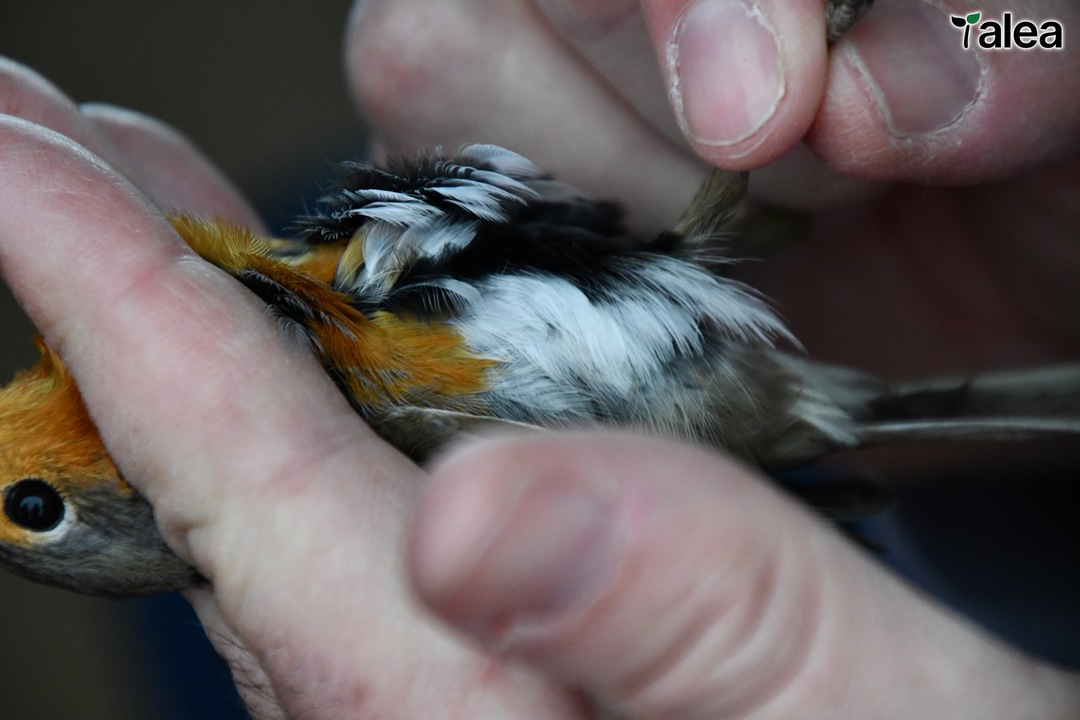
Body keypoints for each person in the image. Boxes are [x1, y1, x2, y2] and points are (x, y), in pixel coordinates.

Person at [0, 0, 1076, 716]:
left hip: (680, 273)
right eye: (30, 503)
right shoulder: (333, 469)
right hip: (674, 393)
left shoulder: (261, 289)